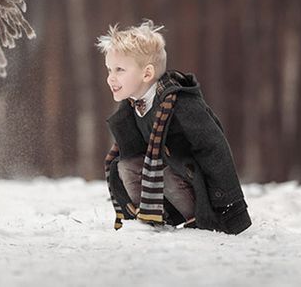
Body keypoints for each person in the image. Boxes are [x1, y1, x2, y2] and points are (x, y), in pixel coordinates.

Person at [97, 20, 251, 234]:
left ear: (147, 74)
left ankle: (196, 220)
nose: (111, 78)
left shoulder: (180, 104)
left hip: (196, 182)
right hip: (167, 177)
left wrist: (228, 203)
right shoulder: (132, 106)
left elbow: (214, 147)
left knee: (167, 173)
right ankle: (147, 217)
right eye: (109, 70)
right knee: (124, 166)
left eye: (119, 70)